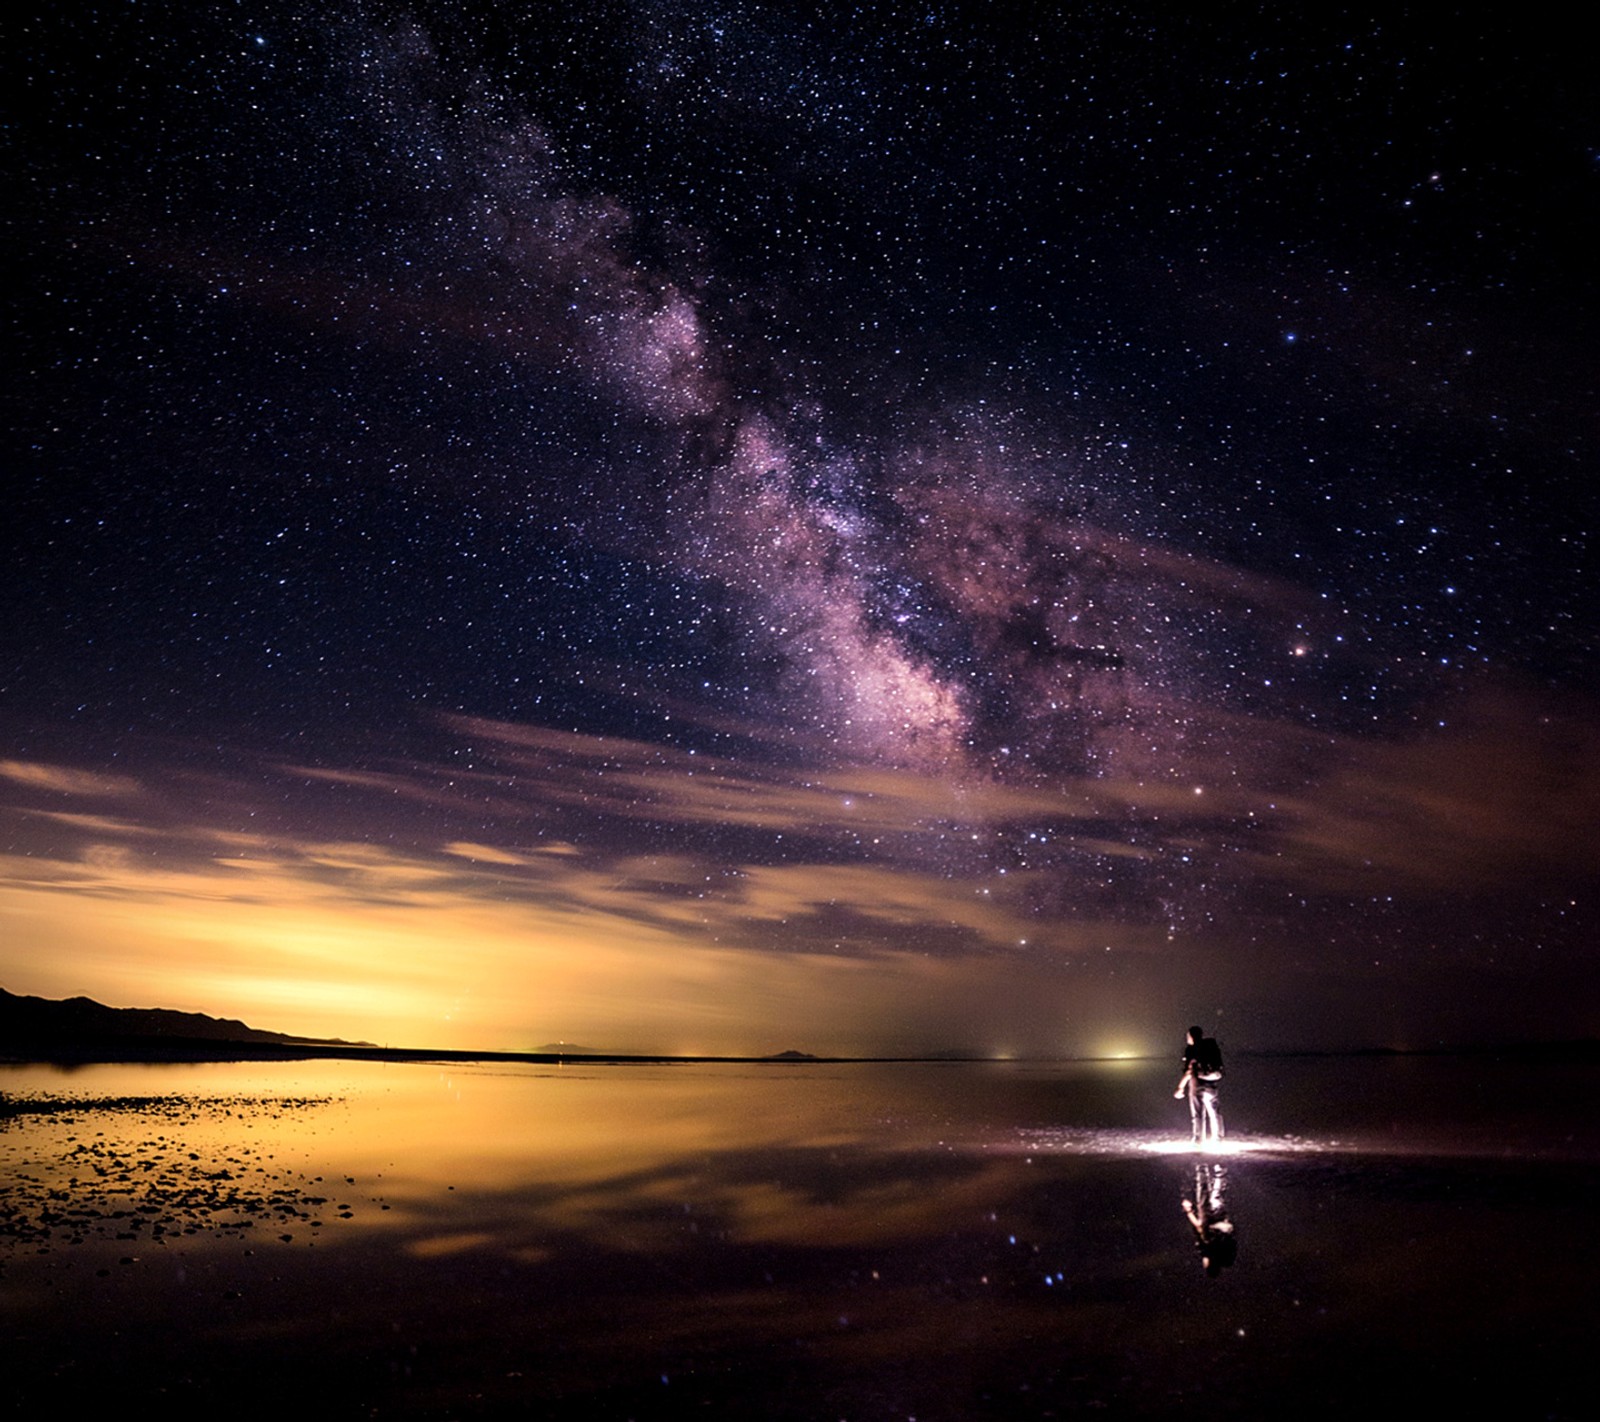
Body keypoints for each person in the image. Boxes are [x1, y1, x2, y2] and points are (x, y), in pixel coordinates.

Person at [1174, 1024, 1224, 1145]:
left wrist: (1180, 1088)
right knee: (1215, 1113)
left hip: (1197, 1086)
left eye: (1187, 1036)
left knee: (1198, 1114)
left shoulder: (1191, 1050)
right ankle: (1218, 1139)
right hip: (1212, 1084)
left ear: (1191, 1036)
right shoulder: (1211, 1047)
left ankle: (1198, 1140)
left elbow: (1189, 1072)